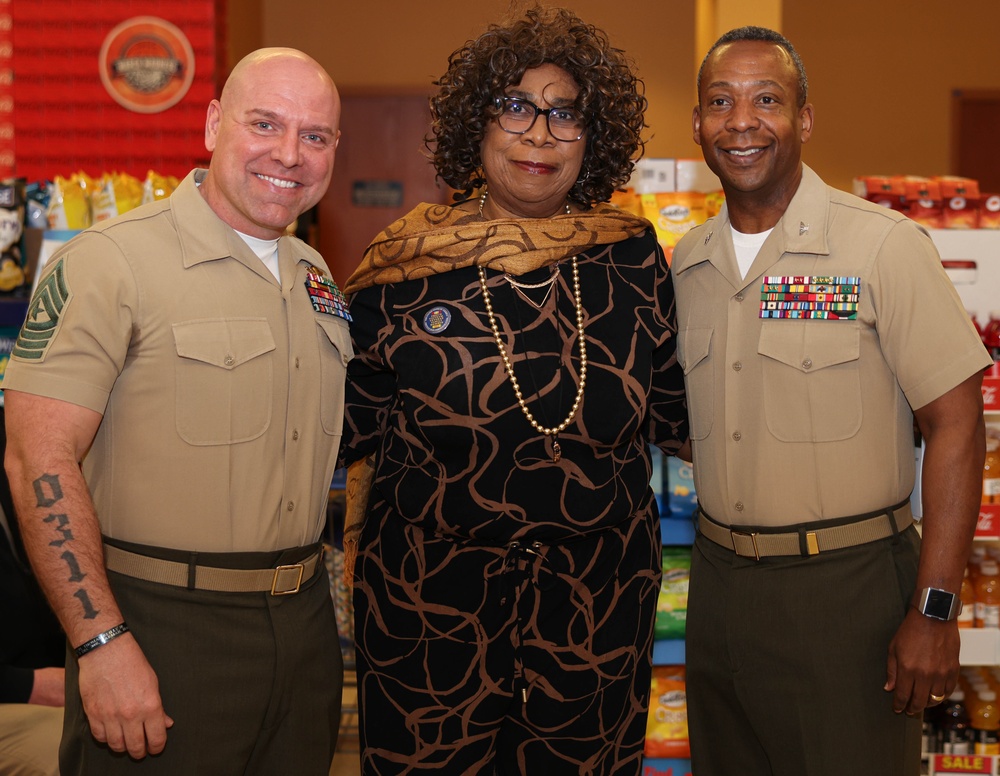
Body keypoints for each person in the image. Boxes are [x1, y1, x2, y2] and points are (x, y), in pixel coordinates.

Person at [338, 6, 688, 773]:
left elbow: (680, 414)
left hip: (595, 621)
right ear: (478, 124)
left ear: (594, 137)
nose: (539, 133)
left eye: (566, 113)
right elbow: (336, 429)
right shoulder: (405, 266)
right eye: (516, 106)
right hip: (428, 623)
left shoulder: (632, 261)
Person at [3, 47, 350, 775]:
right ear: (213, 124)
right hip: (160, 627)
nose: (289, 154)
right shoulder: (109, 262)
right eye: (265, 123)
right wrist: (100, 643)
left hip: (303, 627)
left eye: (315, 136)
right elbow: (39, 457)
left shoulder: (316, 275)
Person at [671, 25, 991, 776]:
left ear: (804, 119)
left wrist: (936, 609)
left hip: (847, 596)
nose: (741, 121)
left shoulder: (881, 247)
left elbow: (957, 425)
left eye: (767, 100)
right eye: (720, 101)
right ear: (697, 126)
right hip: (719, 590)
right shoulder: (689, 263)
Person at [1, 407, 65, 776]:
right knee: (76, 753)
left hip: (40, 664)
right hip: (17, 690)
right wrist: (27, 685)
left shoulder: (13, 431)